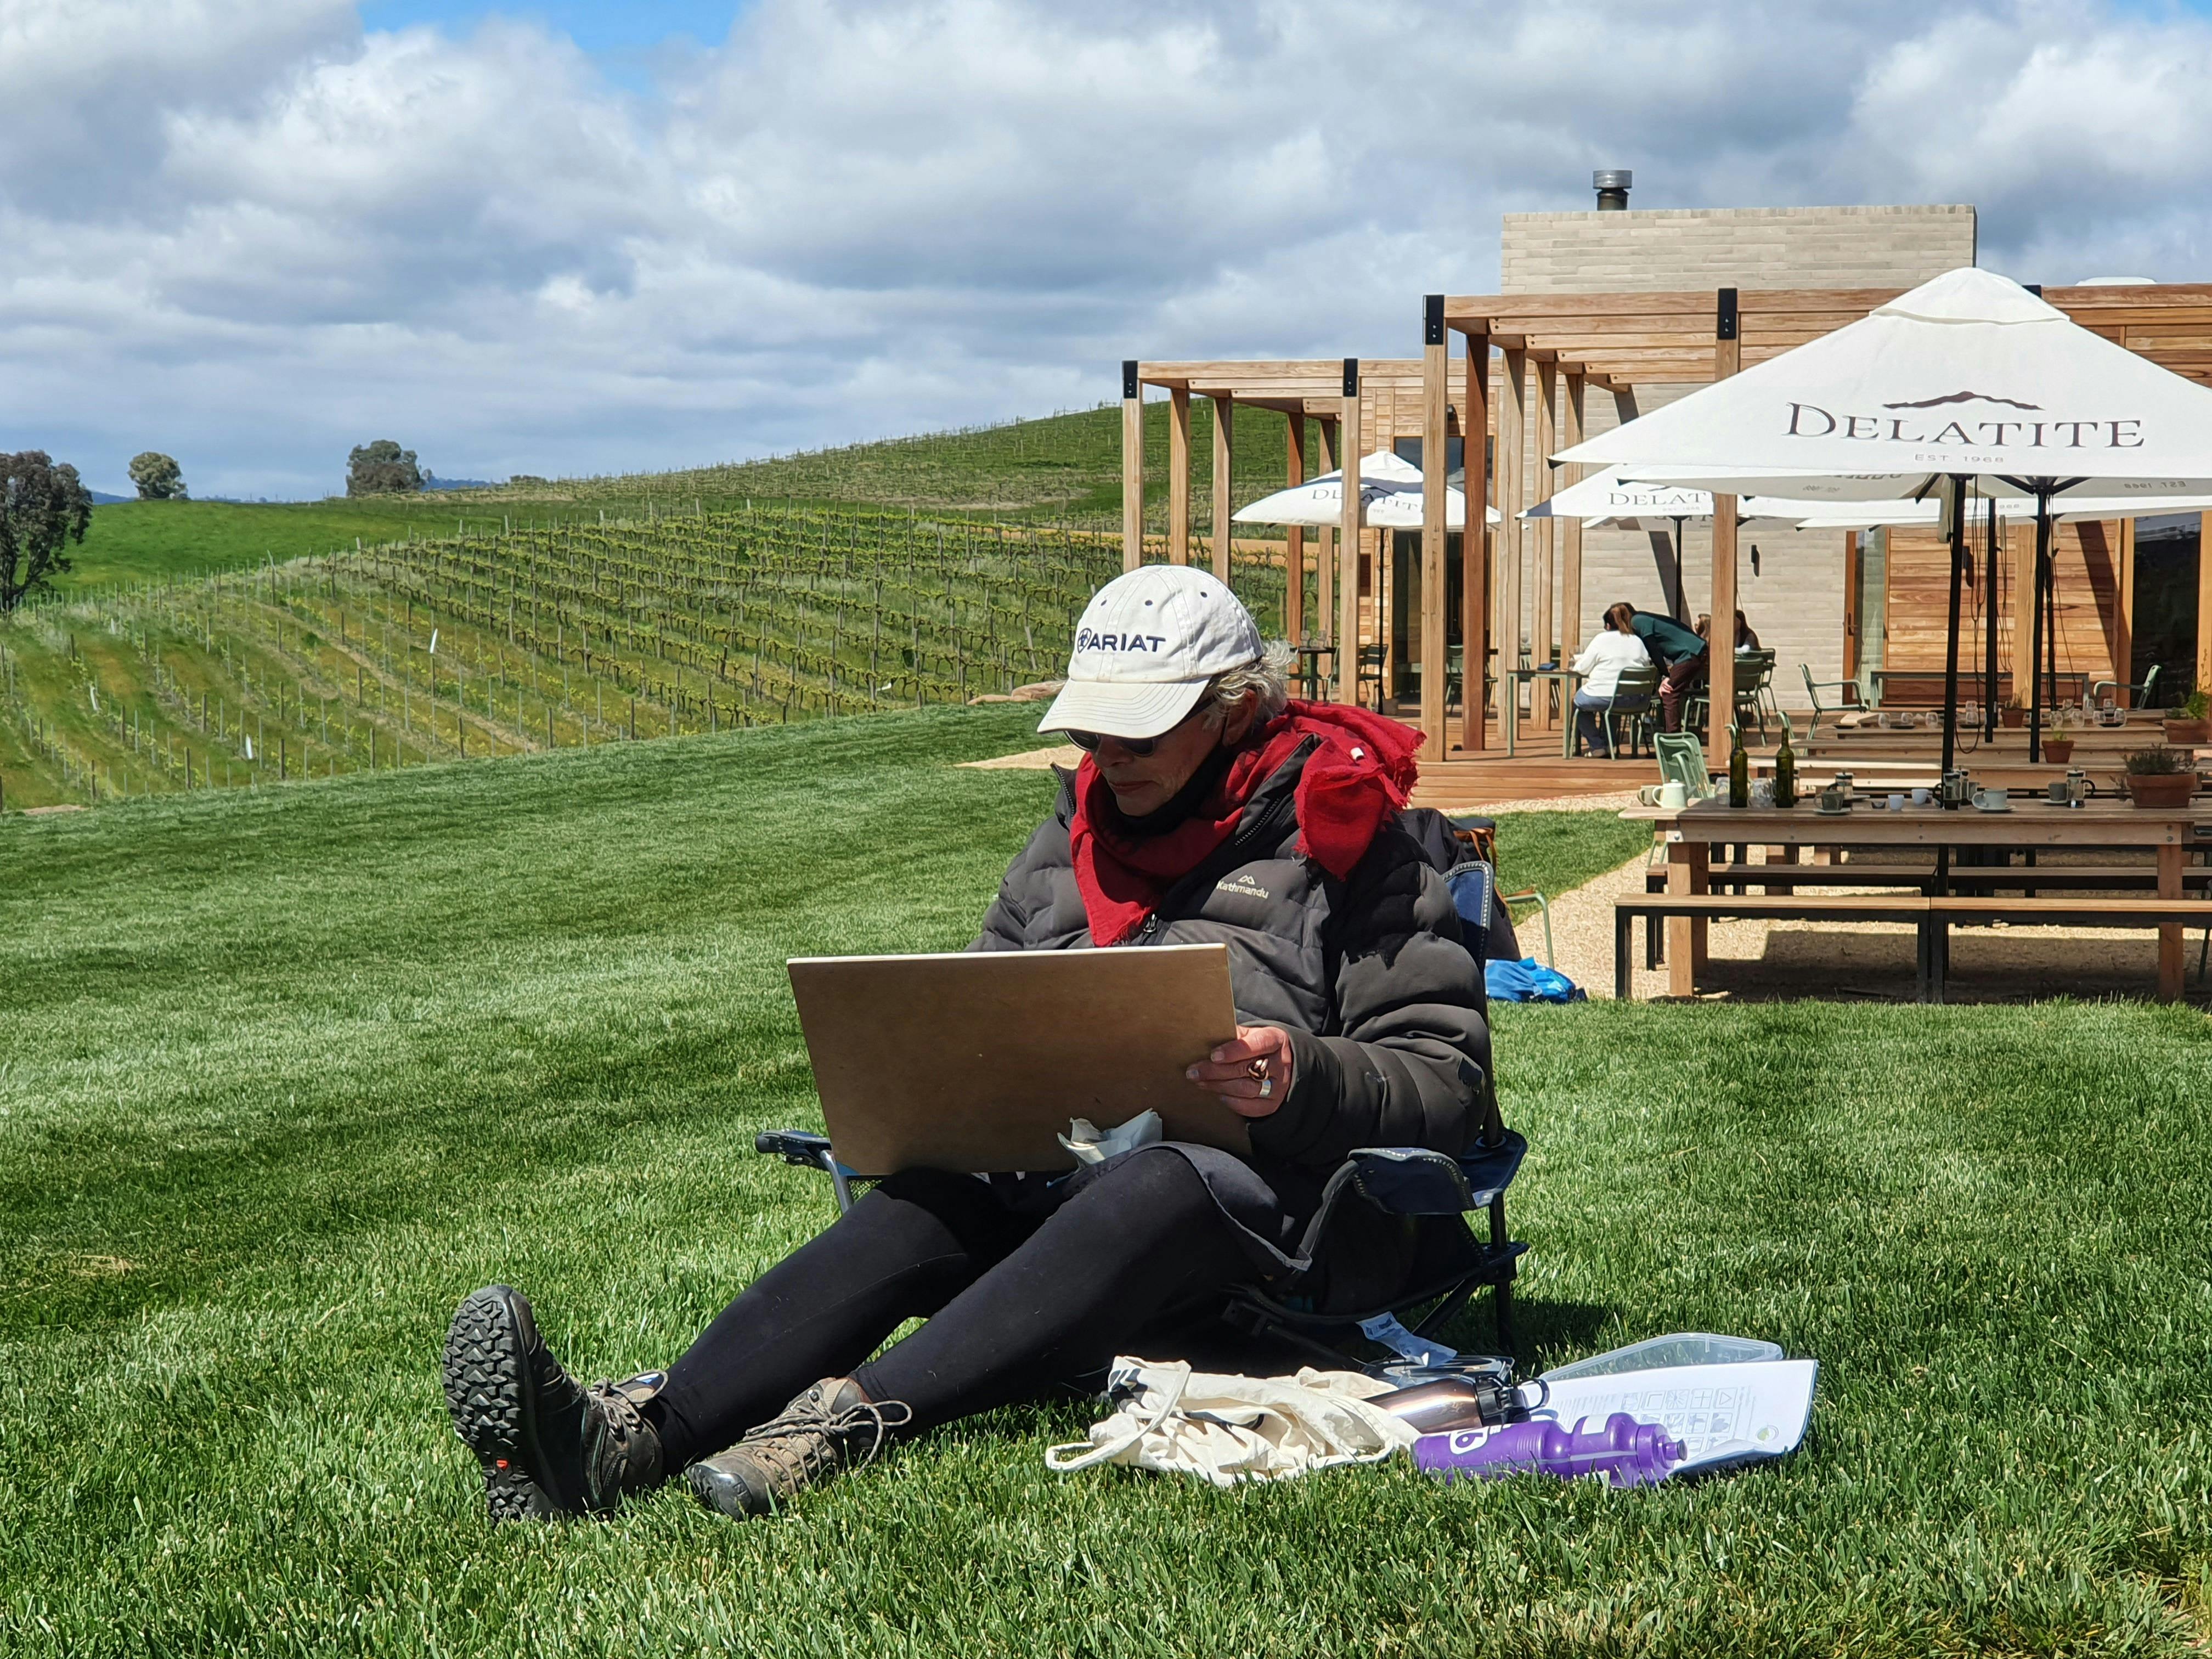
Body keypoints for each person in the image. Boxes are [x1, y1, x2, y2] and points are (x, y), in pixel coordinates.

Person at [442, 565, 1493, 1525]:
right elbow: (983, 1004)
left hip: (1287, 1222)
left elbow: (1447, 1082)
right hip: (1062, 1195)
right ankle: (632, 1437)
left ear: (1232, 712)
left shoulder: (1352, 837)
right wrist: (937, 1083)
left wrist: (1297, 1073)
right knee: (924, 1201)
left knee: (1169, 1177)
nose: (1107, 760)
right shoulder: (1068, 837)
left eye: (1140, 734)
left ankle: (835, 1424)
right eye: (1094, 734)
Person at [1568, 603, 1651, 756]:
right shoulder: (1638, 641)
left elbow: (1582, 669)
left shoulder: (1601, 639)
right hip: (1634, 699)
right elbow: (1646, 664)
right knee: (1614, 705)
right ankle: (1610, 745)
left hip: (1603, 695)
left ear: (1607, 625)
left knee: (1578, 703)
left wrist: (1576, 663)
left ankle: (1597, 745)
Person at [1622, 605, 1708, 733]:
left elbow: (1653, 649)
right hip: (1694, 651)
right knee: (1669, 691)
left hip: (1690, 654)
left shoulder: (1637, 621)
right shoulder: (1642, 618)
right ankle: (1671, 733)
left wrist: (1665, 675)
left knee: (1668, 693)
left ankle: (1673, 740)